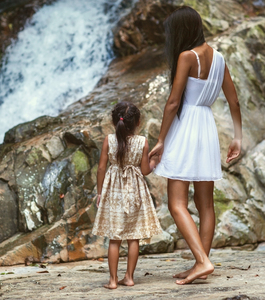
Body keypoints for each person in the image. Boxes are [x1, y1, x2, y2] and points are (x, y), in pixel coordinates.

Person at [149, 6, 242, 285]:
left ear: (181, 30)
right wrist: (238, 137)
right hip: (207, 127)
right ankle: (201, 262)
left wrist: (161, 139)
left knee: (177, 203)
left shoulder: (186, 56)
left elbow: (174, 102)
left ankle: (202, 262)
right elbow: (234, 101)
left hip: (186, 126)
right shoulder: (219, 58)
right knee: (206, 205)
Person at [92, 101, 163, 289]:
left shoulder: (109, 140)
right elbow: (145, 170)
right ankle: (129, 277)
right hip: (135, 191)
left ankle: (113, 280)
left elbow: (101, 168)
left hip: (113, 191)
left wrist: (100, 192)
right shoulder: (143, 142)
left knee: (114, 239)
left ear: (114, 121)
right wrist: (154, 160)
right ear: (138, 122)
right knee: (134, 237)